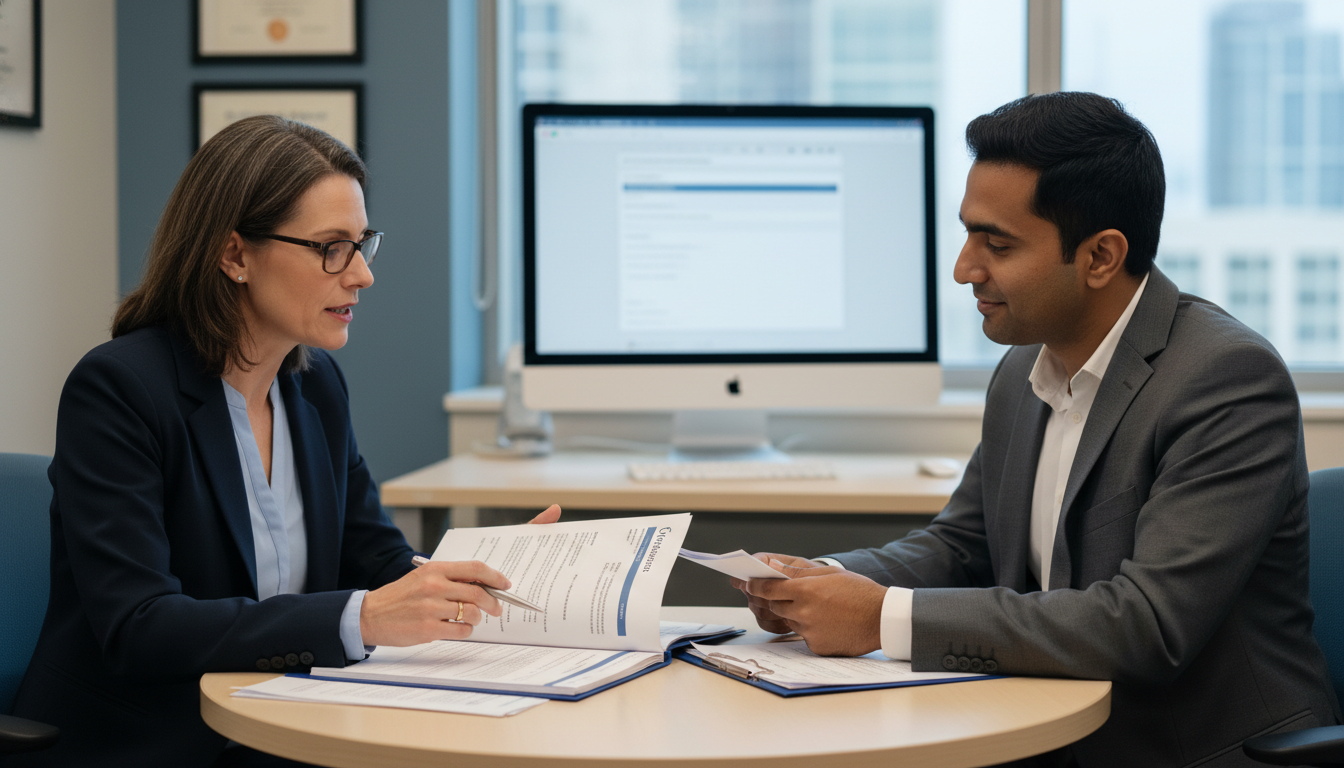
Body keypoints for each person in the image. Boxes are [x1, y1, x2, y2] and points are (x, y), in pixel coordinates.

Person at [733, 92, 1340, 768]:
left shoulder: (1226, 379)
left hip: (1203, 752)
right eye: (968, 234)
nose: (965, 268)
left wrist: (880, 617)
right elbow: (965, 544)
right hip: (1051, 731)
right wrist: (824, 579)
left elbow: (1147, 625)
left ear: (1102, 256)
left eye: (997, 244)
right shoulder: (1026, 362)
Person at [9, 115, 560, 767]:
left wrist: (470, 572)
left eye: (362, 244)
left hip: (283, 718)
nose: (361, 275)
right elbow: (141, 627)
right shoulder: (120, 389)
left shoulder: (316, 384)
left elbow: (371, 552)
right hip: (149, 741)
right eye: (331, 247)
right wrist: (363, 619)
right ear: (235, 253)